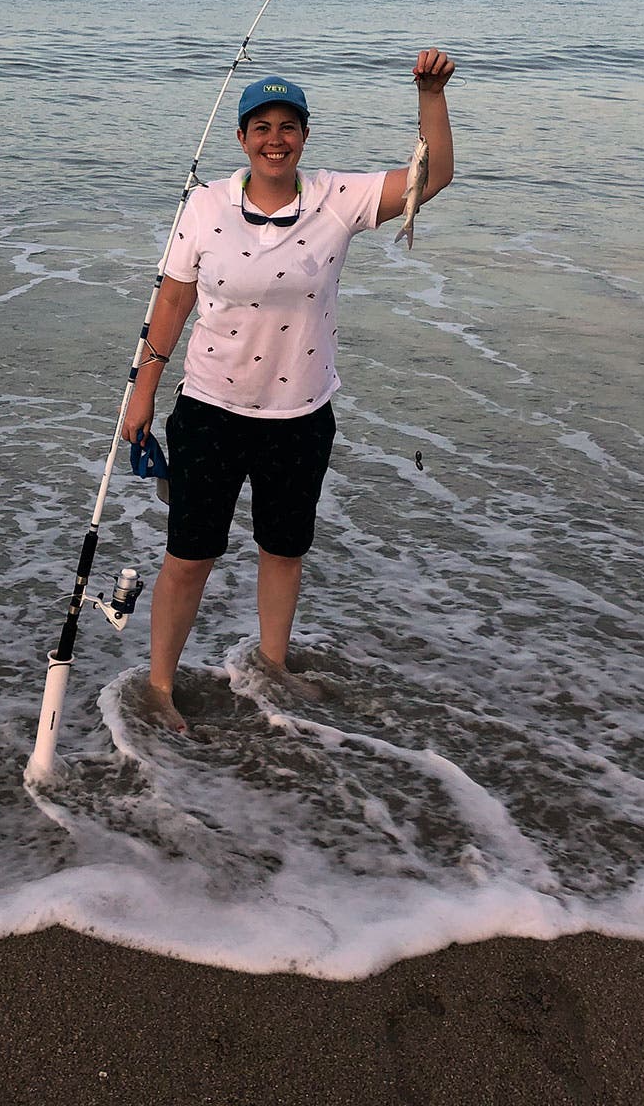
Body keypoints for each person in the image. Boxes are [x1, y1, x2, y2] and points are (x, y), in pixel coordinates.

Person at [121, 48, 456, 729]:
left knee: (283, 549)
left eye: (288, 127)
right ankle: (159, 686)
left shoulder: (338, 199)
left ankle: (273, 668)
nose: (275, 140)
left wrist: (430, 96)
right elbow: (173, 301)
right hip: (210, 411)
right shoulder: (205, 205)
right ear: (241, 138)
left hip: (300, 414)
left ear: (304, 135)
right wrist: (142, 389)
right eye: (262, 128)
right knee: (189, 556)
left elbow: (434, 176)